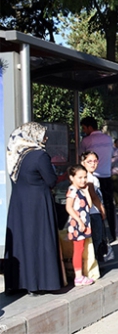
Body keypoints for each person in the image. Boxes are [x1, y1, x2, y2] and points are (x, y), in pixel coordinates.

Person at [4, 122, 65, 296]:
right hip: (38, 204)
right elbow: (51, 180)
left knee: (21, 242)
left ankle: (18, 283)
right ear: (34, 136)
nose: (45, 138)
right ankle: (38, 283)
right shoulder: (40, 155)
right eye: (43, 135)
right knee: (39, 241)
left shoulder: (16, 155)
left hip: (19, 203)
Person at [79, 117, 118, 240]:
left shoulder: (86, 141)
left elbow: (80, 157)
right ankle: (114, 233)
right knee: (109, 205)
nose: (84, 131)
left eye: (84, 128)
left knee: (94, 208)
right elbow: (112, 155)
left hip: (92, 177)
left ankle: (100, 236)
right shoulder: (108, 139)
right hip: (107, 175)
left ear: (90, 127)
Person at [64, 164, 95, 286]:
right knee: (78, 249)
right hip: (78, 224)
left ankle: (80, 274)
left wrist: (87, 192)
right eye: (80, 177)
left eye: (85, 177)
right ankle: (78, 276)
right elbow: (69, 207)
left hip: (83, 223)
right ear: (72, 178)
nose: (83, 180)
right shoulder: (72, 190)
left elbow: (90, 205)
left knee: (81, 249)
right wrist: (79, 221)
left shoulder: (81, 190)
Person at [81, 151, 107, 262]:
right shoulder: (88, 178)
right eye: (89, 161)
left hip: (93, 211)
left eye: (95, 161)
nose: (93, 164)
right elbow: (93, 196)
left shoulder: (92, 177)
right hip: (93, 212)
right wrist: (102, 209)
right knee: (97, 238)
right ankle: (96, 262)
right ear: (83, 163)